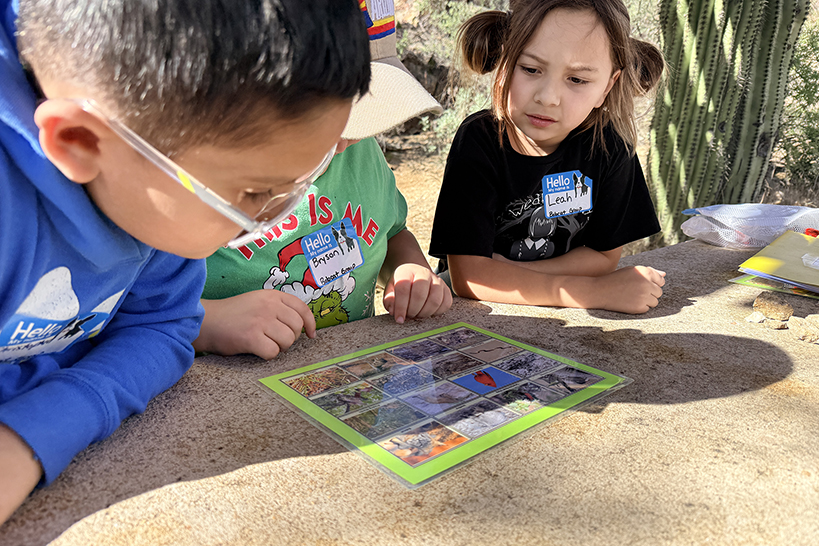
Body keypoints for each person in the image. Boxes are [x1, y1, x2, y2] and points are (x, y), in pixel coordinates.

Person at [0, 0, 370, 524]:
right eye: (252, 192)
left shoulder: (144, 179)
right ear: (80, 141)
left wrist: (31, 435)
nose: (272, 218)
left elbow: (164, 325)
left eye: (297, 184)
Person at [196, 0, 452, 360]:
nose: (350, 134)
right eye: (336, 111)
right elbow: (136, 308)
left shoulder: (364, 155)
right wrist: (208, 324)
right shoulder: (206, 175)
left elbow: (391, 231)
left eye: (369, 110)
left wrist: (409, 270)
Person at [429, 0, 667, 314]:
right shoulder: (480, 140)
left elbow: (603, 255)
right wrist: (592, 292)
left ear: (608, 86)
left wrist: (508, 273)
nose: (548, 98)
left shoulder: (610, 146)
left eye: (578, 80)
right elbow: (469, 277)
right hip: (472, 314)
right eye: (530, 69)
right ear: (503, 64)